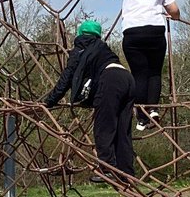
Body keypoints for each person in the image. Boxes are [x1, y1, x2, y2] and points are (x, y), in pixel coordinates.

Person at [76, 0, 180, 131]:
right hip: (155, 31)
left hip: (133, 33)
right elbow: (174, 9)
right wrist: (174, 17)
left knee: (139, 75)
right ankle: (153, 109)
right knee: (154, 73)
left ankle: (141, 117)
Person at [40, 19, 135, 180]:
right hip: (127, 78)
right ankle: (126, 172)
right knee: (122, 128)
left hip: (110, 79)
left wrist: (49, 101)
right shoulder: (102, 48)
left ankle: (108, 169)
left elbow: (67, 78)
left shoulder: (80, 48)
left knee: (104, 126)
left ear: (80, 34)